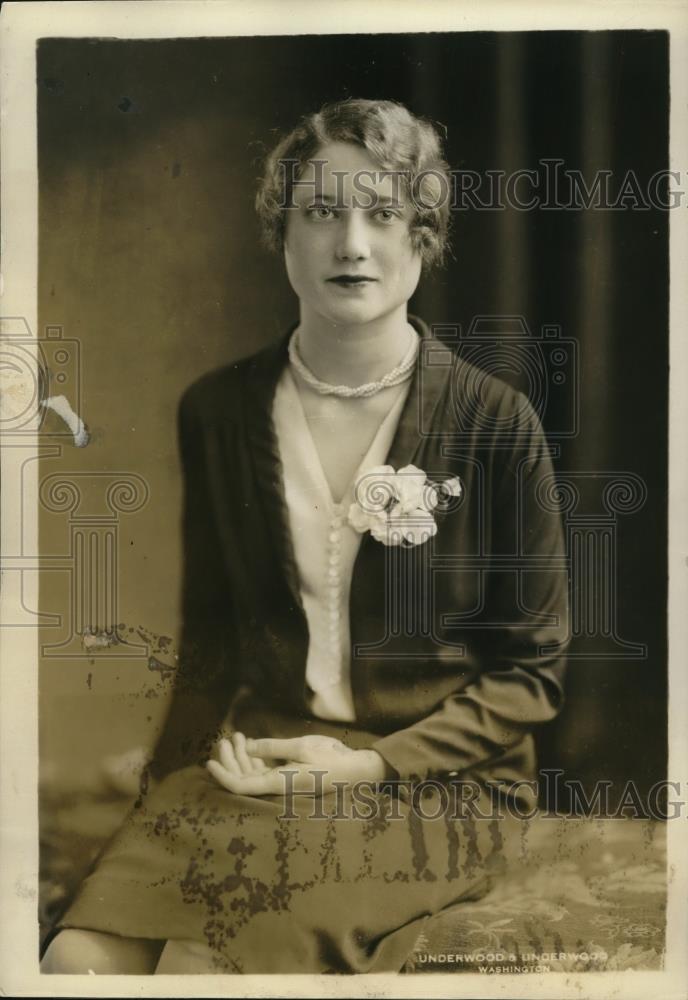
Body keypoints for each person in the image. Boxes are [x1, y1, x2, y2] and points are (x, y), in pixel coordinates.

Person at [41, 98, 569, 975]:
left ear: (423, 238)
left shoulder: (496, 422)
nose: (351, 244)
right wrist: (162, 797)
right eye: (321, 212)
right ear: (281, 234)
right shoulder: (219, 409)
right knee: (75, 961)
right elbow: (212, 640)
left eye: (383, 214)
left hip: (432, 787)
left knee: (201, 968)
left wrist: (369, 767)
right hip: (267, 764)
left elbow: (530, 676)